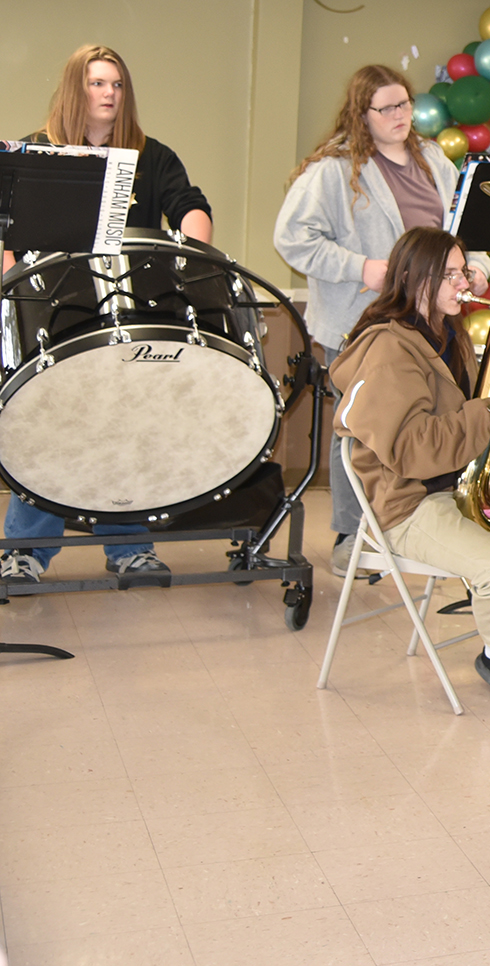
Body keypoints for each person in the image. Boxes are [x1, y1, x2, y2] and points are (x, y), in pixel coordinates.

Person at [328, 227, 490, 707]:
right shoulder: (388, 349)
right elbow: (412, 451)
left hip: (461, 487)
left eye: (463, 271)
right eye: (449, 275)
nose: (464, 283)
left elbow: (465, 421)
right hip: (409, 504)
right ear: (412, 277)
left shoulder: (448, 335)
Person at [0, 44, 212, 585]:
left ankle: (130, 548)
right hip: (55, 310)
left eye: (117, 85)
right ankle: (25, 551)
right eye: (97, 83)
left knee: (128, 423)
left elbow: (191, 207)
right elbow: (7, 232)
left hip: (131, 311)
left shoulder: (152, 155)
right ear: (76, 89)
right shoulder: (36, 151)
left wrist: (191, 253)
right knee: (48, 426)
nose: (110, 94)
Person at [275, 64, 489, 578]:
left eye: (405, 104)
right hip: (363, 322)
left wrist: (474, 266)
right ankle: (353, 533)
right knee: (361, 429)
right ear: (361, 113)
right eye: (387, 107)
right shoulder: (334, 168)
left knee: (427, 419)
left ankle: (425, 518)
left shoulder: (433, 159)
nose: (400, 115)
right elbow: (292, 238)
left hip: (430, 321)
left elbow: (463, 227)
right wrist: (360, 267)